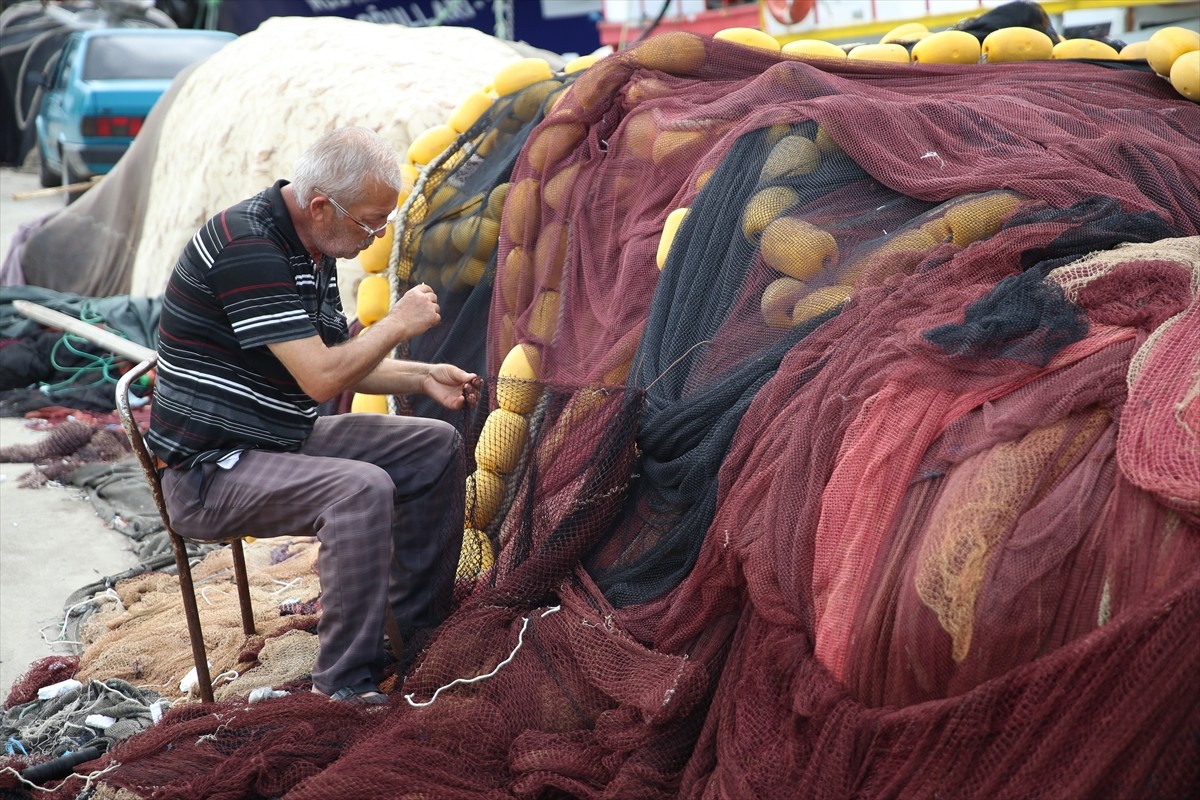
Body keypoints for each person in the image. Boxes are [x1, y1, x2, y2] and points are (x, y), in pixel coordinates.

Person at [146, 126, 481, 705]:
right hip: (210, 472)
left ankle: (412, 633)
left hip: (278, 439)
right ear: (322, 206)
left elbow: (338, 362)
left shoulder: (313, 245)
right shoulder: (247, 246)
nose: (375, 238)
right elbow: (323, 378)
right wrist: (397, 323)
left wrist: (423, 376)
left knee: (436, 445)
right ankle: (343, 685)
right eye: (370, 223)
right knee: (359, 491)